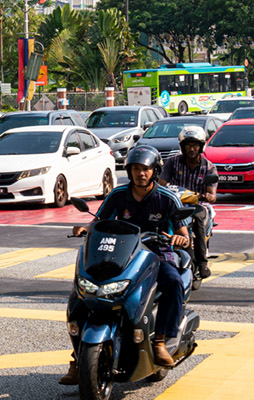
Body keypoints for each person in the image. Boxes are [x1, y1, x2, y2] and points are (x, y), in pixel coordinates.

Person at [61, 145, 192, 383]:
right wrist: (85, 228)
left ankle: (161, 340)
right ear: (129, 171)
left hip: (156, 253)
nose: (140, 173)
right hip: (122, 253)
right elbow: (100, 222)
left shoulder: (167, 198)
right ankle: (78, 357)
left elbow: (184, 230)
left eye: (145, 169)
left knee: (172, 282)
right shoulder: (118, 195)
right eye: (135, 169)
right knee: (81, 292)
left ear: (154, 171)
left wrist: (180, 237)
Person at [159, 125, 216, 280]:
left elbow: (212, 194)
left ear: (201, 146)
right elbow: (161, 183)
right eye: (188, 145)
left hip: (198, 206)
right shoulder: (172, 163)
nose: (192, 149)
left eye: (195, 145)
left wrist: (207, 196)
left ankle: (202, 262)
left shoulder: (209, 168)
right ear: (182, 146)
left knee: (197, 218)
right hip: (175, 204)